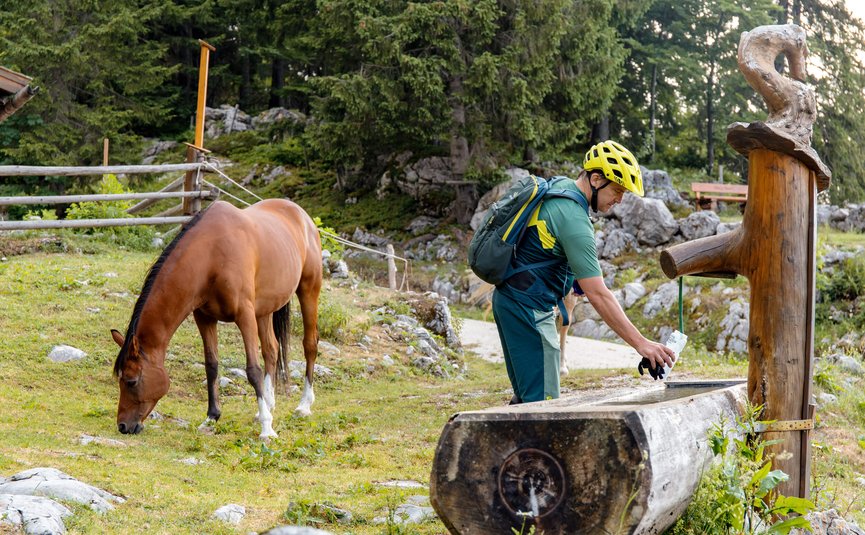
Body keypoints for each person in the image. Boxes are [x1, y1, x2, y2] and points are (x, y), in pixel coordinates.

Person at [492, 140, 675, 404]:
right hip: (528, 310)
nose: (620, 200)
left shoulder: (561, 188)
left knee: (528, 401)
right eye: (617, 190)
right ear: (596, 179)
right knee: (544, 408)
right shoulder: (573, 219)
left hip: (514, 303)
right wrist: (641, 344)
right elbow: (598, 294)